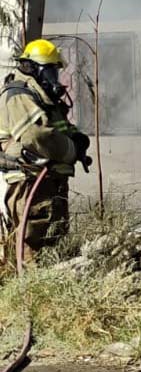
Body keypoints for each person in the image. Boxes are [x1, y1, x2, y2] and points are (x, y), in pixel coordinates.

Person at [0, 39, 90, 253]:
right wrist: (72, 150)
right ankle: (30, 287)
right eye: (50, 71)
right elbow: (37, 136)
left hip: (49, 184)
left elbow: (59, 128)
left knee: (54, 250)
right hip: (32, 184)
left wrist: (77, 138)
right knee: (34, 254)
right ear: (33, 68)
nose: (54, 78)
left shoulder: (41, 96)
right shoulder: (19, 95)